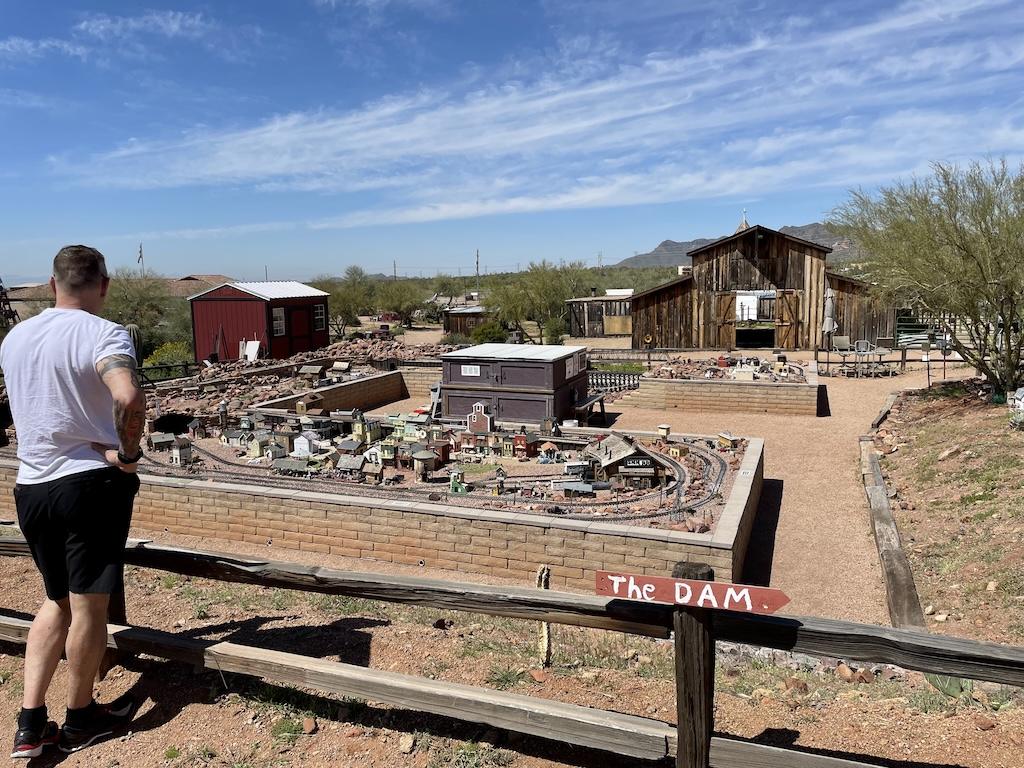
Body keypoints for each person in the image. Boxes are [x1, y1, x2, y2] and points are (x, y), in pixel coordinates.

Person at [0, 245, 147, 757]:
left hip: (30, 486)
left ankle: (29, 721)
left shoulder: (16, 337)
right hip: (87, 484)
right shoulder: (104, 333)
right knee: (89, 607)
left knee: (54, 599)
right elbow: (128, 396)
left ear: (51, 283)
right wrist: (127, 455)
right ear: (103, 285)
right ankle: (81, 716)